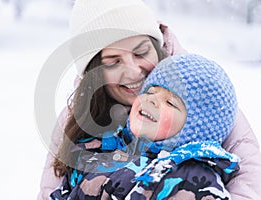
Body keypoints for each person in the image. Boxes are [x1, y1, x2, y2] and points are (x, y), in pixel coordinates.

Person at [37, 0, 261, 199]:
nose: (133, 71)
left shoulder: (201, 91)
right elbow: (51, 189)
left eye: (140, 52)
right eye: (113, 61)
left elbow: (250, 180)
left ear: (156, 46)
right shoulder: (80, 118)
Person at [49, 54, 240, 200]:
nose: (152, 100)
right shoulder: (100, 148)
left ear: (195, 128)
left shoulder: (192, 180)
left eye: (170, 103)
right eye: (150, 91)